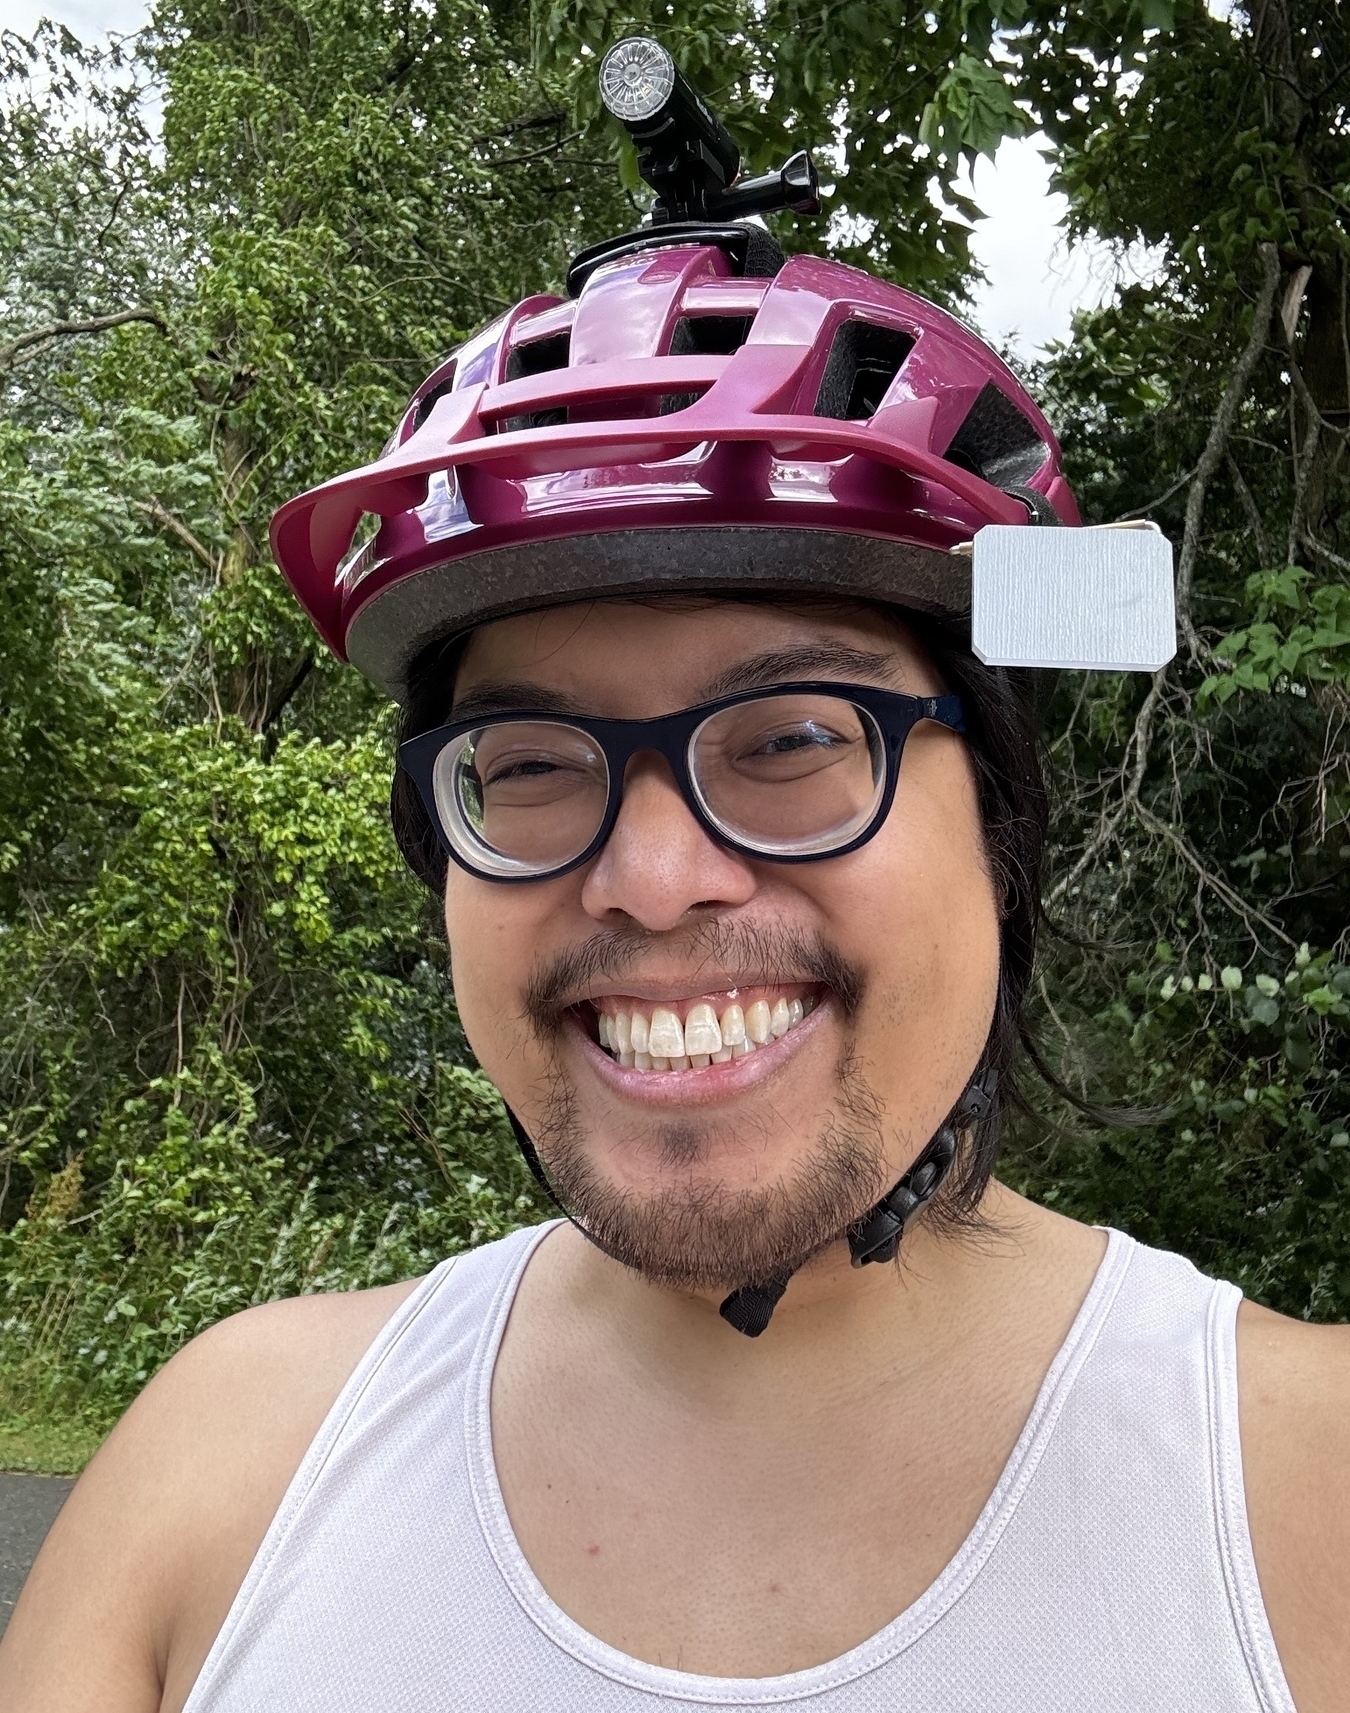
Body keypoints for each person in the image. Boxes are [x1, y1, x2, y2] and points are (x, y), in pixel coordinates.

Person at [4, 122, 1349, 1713]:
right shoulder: (218, 1480)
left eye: (787, 739)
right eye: (527, 762)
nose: (649, 878)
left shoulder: (1297, 1505)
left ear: (992, 816)